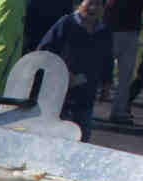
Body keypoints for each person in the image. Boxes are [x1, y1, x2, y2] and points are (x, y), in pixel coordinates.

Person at [38, 0, 113, 141]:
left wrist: (107, 84)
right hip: (60, 95)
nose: (93, 8)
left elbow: (107, 59)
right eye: (89, 2)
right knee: (55, 137)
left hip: (87, 95)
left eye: (98, 4)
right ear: (80, 4)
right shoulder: (66, 23)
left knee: (81, 138)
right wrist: (61, 71)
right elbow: (44, 50)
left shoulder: (104, 31)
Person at [101, 0, 143, 122]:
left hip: (130, 31)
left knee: (125, 76)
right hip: (110, 31)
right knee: (99, 70)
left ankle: (119, 111)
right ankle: (83, 107)